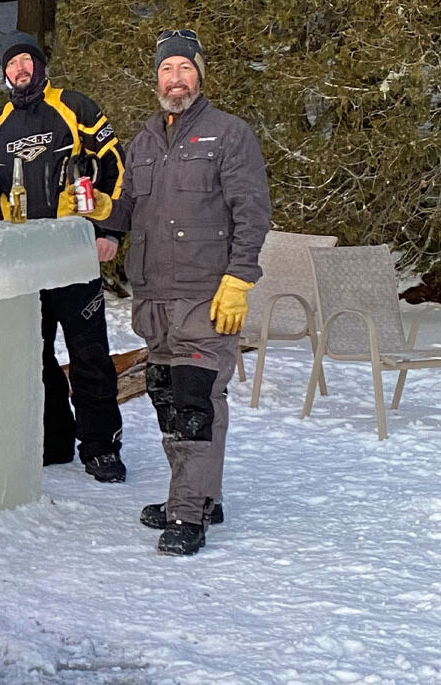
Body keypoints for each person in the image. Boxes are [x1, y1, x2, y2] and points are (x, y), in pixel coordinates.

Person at [110, 29, 269, 555]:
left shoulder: (229, 134)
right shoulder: (145, 140)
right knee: (166, 394)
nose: (175, 79)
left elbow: (252, 210)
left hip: (207, 291)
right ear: (155, 78)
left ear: (200, 73)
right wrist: (103, 230)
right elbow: (126, 206)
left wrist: (240, 277)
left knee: (195, 399)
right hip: (154, 295)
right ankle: (203, 495)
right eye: (165, 70)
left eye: (184, 68)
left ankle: (187, 513)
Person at [0, 33, 127, 483]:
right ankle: (54, 440)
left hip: (72, 254)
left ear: (40, 66)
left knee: (89, 352)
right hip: (22, 263)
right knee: (33, 355)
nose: (20, 70)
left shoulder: (75, 107)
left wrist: (110, 230)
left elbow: (115, 165)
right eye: (12, 65)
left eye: (26, 62)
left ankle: (101, 446)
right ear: (5, 74)